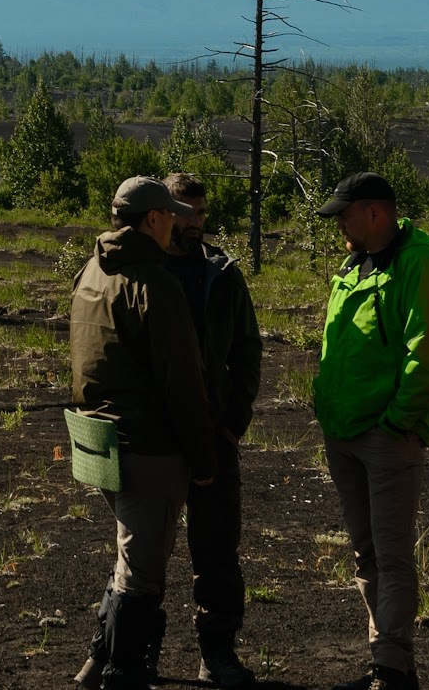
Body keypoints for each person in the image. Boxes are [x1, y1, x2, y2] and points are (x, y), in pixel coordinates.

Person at [70, 175, 220, 690]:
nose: (179, 222)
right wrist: (204, 460)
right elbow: (184, 385)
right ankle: (122, 675)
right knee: (143, 574)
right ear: (153, 220)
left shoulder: (91, 271)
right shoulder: (154, 285)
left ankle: (97, 665)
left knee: (129, 558)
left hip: (98, 442)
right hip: (147, 448)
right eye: (171, 215)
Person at [312, 171, 429, 690]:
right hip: (344, 433)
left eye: (344, 215)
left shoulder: (417, 264)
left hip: (386, 435)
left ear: (374, 213)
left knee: (391, 554)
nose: (339, 226)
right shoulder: (353, 265)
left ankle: (390, 670)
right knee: (366, 552)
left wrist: (398, 421)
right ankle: (390, 663)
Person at [161, 173, 262, 688]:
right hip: (155, 438)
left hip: (214, 435)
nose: (196, 222)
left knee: (218, 549)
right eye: (186, 212)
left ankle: (217, 652)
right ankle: (135, 652)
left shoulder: (222, 275)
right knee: (144, 551)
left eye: (201, 212)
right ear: (163, 211)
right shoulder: (142, 270)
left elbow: (248, 350)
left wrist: (231, 426)